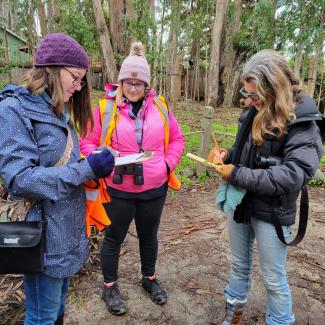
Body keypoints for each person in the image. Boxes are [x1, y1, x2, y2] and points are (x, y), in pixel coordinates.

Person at [0, 33, 115, 325]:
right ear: (51, 69)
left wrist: (91, 167)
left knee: (58, 311)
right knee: (43, 316)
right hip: (43, 240)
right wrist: (85, 169)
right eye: (75, 78)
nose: (79, 87)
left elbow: (65, 167)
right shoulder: (13, 109)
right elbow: (19, 179)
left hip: (67, 234)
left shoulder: (56, 110)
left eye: (81, 80)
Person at [212, 50, 323, 325]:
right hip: (243, 203)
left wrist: (237, 174)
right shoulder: (254, 110)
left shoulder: (302, 119)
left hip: (273, 212)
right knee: (239, 265)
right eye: (247, 94)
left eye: (255, 95)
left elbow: (293, 174)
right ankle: (233, 313)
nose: (248, 101)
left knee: (273, 277)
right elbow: (245, 152)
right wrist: (228, 155)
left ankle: (280, 321)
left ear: (273, 88)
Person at [79, 42, 184, 315]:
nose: (133, 88)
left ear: (146, 85)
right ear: (121, 82)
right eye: (128, 82)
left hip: (154, 187)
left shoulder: (160, 107)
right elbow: (86, 142)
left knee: (149, 237)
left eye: (139, 83)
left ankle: (149, 279)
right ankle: (110, 286)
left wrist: (167, 164)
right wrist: (102, 160)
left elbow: (177, 139)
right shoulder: (104, 109)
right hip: (118, 188)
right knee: (113, 238)